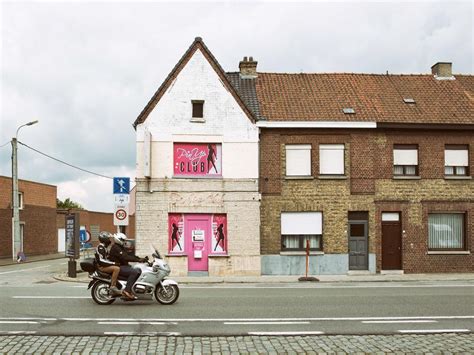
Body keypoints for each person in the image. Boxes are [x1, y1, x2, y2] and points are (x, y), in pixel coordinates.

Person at [109, 232, 147, 300]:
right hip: (119, 267)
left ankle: (132, 289)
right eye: (123, 240)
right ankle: (127, 291)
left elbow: (129, 255)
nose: (124, 242)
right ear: (119, 239)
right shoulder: (116, 248)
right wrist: (138, 260)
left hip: (122, 266)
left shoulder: (120, 247)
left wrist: (140, 258)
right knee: (134, 272)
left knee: (138, 270)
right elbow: (125, 257)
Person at [94, 231, 121, 296]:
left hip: (104, 265)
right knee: (116, 269)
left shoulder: (104, 247)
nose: (109, 240)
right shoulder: (100, 248)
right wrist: (114, 263)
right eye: (108, 239)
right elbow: (101, 260)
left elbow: (107, 258)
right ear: (104, 239)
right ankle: (113, 287)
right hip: (102, 267)